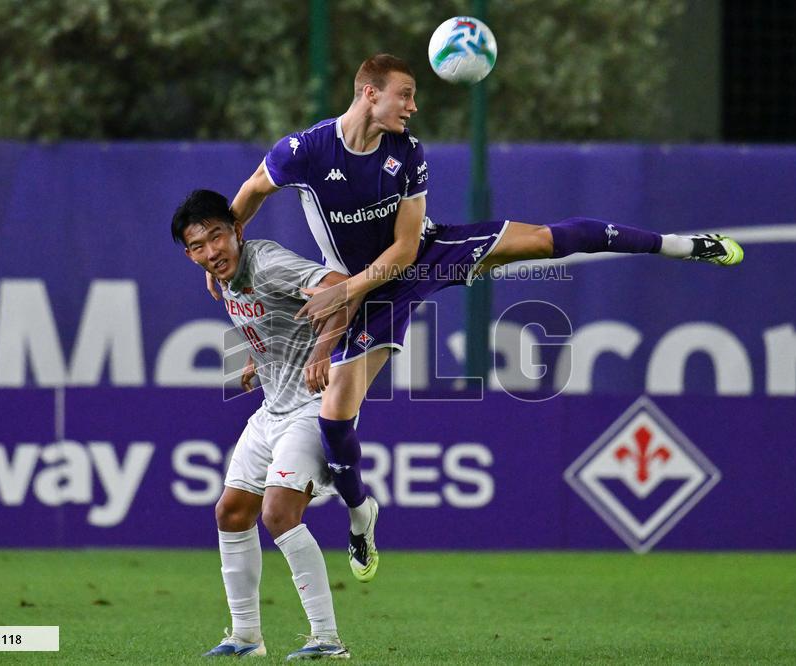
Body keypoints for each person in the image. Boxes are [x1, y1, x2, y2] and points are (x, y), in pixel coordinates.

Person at [211, 53, 744, 583]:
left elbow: (402, 251)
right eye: (406, 94)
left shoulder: (406, 152)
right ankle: (359, 513)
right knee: (332, 420)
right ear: (369, 93)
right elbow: (253, 190)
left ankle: (681, 245)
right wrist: (225, 252)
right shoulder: (304, 150)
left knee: (544, 241)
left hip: (415, 258)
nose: (413, 107)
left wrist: (345, 290)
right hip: (368, 295)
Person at [173, 189, 354, 660]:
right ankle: (246, 637)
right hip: (272, 408)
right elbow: (272, 320)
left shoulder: (268, 261)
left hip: (312, 406)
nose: (211, 251)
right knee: (231, 512)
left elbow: (343, 286)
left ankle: (327, 640)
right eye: (197, 246)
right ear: (188, 254)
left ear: (238, 230)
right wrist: (259, 360)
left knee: (278, 513)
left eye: (217, 236)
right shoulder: (223, 277)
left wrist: (322, 352)